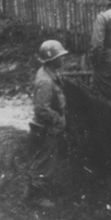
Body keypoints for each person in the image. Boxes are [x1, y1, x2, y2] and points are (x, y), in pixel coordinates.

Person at [29, 40, 69, 208]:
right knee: (45, 161)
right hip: (46, 128)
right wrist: (59, 120)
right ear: (52, 60)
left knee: (48, 159)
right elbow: (41, 109)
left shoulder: (51, 74)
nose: (63, 59)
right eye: (60, 57)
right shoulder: (46, 81)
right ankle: (36, 196)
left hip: (49, 127)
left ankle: (40, 191)